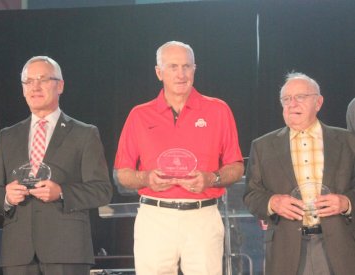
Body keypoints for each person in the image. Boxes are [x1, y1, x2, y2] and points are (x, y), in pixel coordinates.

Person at [114, 41, 244, 275]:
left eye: (187, 66)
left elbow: (236, 167)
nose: (181, 74)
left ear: (195, 69)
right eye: (173, 66)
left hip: (203, 216)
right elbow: (122, 173)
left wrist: (211, 178)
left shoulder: (218, 110)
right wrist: (146, 178)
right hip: (155, 217)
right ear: (158, 72)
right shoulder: (139, 115)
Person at [0, 56, 113, 275]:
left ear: (60, 85)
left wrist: (62, 192)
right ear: (23, 89)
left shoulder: (84, 133)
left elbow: (102, 190)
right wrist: (6, 196)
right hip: (18, 253)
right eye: (28, 81)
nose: (35, 87)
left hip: (66, 249)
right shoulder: (7, 136)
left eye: (43, 79)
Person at [244, 72, 355, 275]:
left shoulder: (348, 141)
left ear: (318, 102)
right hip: (287, 250)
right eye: (286, 99)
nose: (292, 104)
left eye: (300, 97)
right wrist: (272, 203)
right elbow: (251, 195)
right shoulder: (262, 146)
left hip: (340, 247)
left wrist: (347, 203)